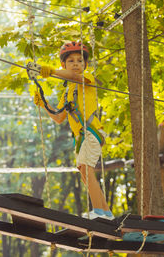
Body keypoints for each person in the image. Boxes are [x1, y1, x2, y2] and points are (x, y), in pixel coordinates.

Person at [33, 41, 114, 220]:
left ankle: (99, 213)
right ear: (64, 64)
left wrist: (51, 71)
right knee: (85, 174)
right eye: (71, 61)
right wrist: (43, 104)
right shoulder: (67, 93)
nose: (76, 64)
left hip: (92, 132)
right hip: (81, 138)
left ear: (85, 65)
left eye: (80, 60)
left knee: (86, 169)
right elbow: (59, 117)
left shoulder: (87, 80)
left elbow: (73, 76)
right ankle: (106, 212)